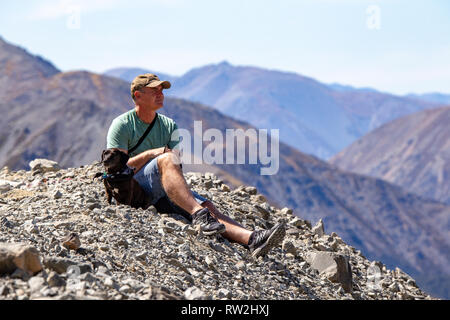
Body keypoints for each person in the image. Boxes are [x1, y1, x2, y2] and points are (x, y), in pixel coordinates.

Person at [106, 73, 285, 258]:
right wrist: (153, 153)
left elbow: (176, 163)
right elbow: (116, 169)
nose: (160, 94)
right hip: (134, 188)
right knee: (167, 161)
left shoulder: (168, 125)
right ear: (138, 95)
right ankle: (199, 215)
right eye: (154, 90)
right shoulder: (122, 125)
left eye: (161, 90)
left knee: (207, 204)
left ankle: (251, 239)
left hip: (160, 183)